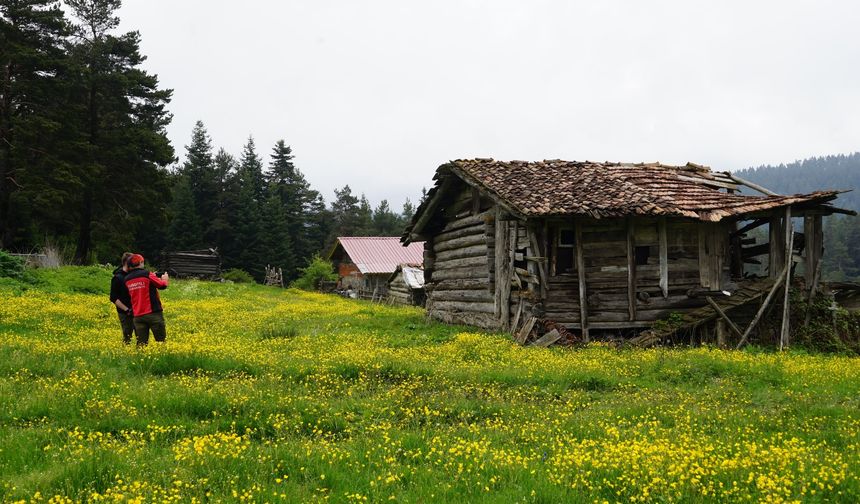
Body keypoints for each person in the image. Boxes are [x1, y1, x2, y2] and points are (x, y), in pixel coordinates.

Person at [124, 253, 169, 346]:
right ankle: (163, 359)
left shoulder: (126, 279)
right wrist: (165, 279)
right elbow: (162, 285)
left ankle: (141, 360)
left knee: (141, 345)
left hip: (137, 316)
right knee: (161, 342)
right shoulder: (147, 274)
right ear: (141, 262)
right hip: (153, 313)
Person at [109, 252, 134, 344]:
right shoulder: (117, 278)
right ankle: (126, 355)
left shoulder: (134, 275)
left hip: (137, 310)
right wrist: (127, 310)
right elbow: (113, 298)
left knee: (141, 335)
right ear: (127, 263)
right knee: (127, 336)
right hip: (125, 312)